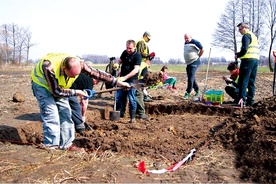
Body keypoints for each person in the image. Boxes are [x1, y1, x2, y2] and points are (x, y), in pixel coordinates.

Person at [31, 53, 129, 151]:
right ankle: (51, 146)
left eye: (76, 75)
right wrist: (77, 92)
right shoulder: (49, 67)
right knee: (52, 114)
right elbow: (56, 92)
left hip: (60, 86)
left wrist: (118, 82)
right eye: (72, 75)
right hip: (42, 86)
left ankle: (67, 144)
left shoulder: (80, 64)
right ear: (64, 68)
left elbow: (98, 74)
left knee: (66, 113)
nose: (73, 78)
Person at [116, 40, 142, 123]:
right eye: (127, 47)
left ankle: (132, 118)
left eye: (130, 48)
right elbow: (120, 61)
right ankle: (120, 114)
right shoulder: (124, 52)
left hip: (134, 80)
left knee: (132, 98)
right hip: (122, 79)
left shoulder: (138, 56)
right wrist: (117, 64)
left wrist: (125, 78)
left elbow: (136, 70)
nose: (128, 49)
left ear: (134, 47)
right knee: (119, 97)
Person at [235, 22, 259, 106]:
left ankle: (242, 100)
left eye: (240, 29)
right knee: (251, 81)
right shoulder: (253, 36)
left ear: (245, 28)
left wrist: (238, 55)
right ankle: (250, 101)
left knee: (243, 80)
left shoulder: (246, 36)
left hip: (247, 61)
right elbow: (249, 48)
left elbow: (245, 49)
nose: (239, 31)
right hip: (255, 60)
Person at [136, 31, 154, 120]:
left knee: (138, 91)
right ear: (145, 36)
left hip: (138, 72)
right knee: (138, 92)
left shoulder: (143, 43)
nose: (149, 40)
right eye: (149, 38)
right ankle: (140, 113)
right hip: (137, 76)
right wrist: (148, 56)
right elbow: (140, 53)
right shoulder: (141, 42)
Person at [182, 33, 204, 99]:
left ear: (191, 37)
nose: (186, 39)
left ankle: (187, 93)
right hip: (189, 63)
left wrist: (198, 56)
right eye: (185, 38)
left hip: (195, 62)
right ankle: (197, 91)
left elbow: (202, 49)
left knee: (190, 77)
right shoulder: (185, 43)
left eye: (187, 38)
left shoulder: (196, 42)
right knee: (191, 77)